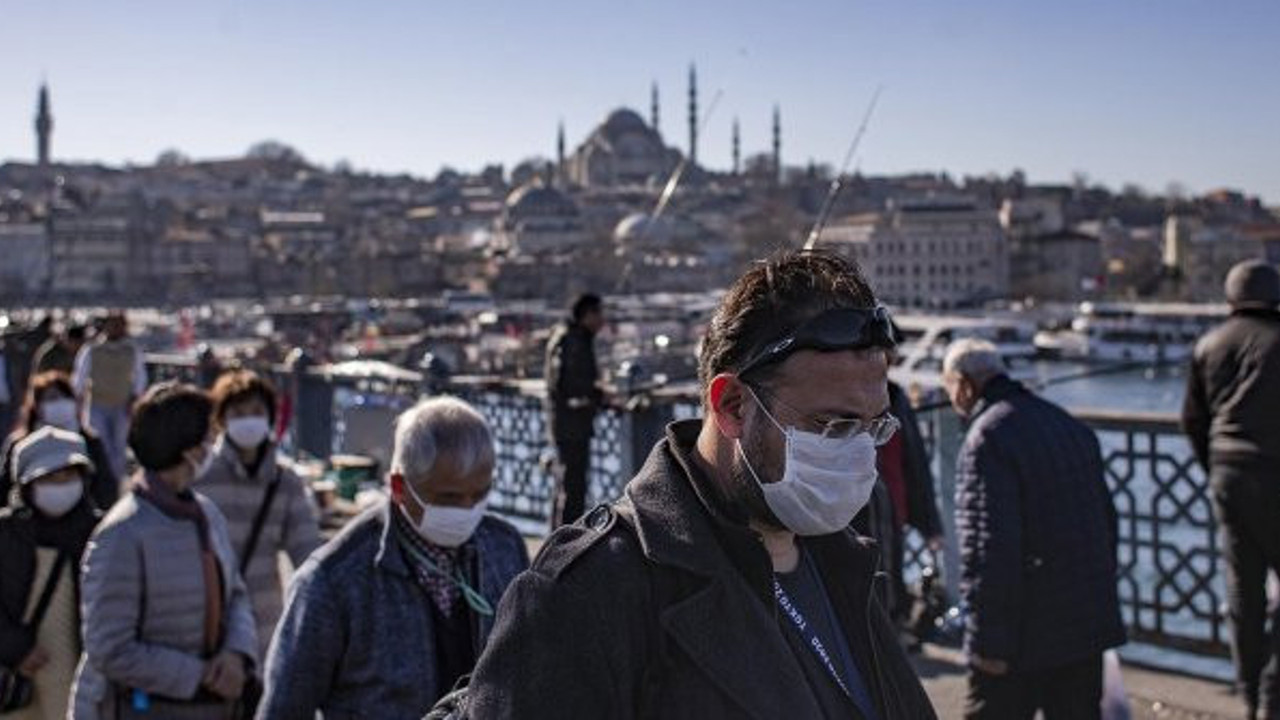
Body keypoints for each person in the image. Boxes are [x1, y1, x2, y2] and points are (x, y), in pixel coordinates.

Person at [433, 250, 936, 719]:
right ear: (733, 406)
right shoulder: (593, 594)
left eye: (874, 428)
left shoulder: (843, 560)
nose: (857, 453)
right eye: (833, 426)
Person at [258, 397, 529, 719]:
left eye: (480, 494)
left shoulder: (504, 547)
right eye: (449, 498)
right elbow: (284, 707)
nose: (468, 510)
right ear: (400, 486)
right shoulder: (334, 580)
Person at [942, 338, 1125, 719]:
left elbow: (989, 548)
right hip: (1085, 627)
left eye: (949, 390)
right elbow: (1107, 526)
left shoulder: (987, 439)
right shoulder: (1068, 424)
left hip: (1022, 638)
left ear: (964, 385)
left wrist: (987, 642)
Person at [70, 382, 258, 719]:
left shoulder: (206, 514)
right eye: (208, 437)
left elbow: (237, 596)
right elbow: (110, 649)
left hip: (214, 708)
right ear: (189, 450)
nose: (213, 445)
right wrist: (201, 675)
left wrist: (236, 654)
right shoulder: (122, 534)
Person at [1181, 259, 1280, 718]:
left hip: (1228, 474)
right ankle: (1272, 692)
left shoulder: (1209, 344)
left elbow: (1193, 420)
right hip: (1272, 471)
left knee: (1244, 590)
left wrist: (1215, 466)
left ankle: (1248, 693)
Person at [195, 370, 322, 661]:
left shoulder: (285, 481)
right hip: (208, 623)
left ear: (270, 417)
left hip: (263, 626)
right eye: (238, 412)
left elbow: (309, 556)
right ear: (222, 419)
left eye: (256, 411)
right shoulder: (200, 477)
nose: (248, 419)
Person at [0, 427, 102, 720]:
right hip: (18, 678)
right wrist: (14, 648)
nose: (61, 485)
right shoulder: (6, 533)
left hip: (82, 675)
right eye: (49, 478)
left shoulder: (103, 533)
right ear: (26, 484)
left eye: (69, 476)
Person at [856, 378, 945, 638]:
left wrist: (930, 525)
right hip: (861, 512)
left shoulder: (895, 396)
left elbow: (913, 461)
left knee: (889, 582)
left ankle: (892, 631)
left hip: (891, 510)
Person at [0, 371, 118, 512]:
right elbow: (5, 489)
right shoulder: (19, 445)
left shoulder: (90, 442)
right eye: (51, 398)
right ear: (37, 406)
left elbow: (106, 487)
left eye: (65, 397)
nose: (59, 403)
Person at [543, 293, 605, 528]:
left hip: (566, 423)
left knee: (565, 484)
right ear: (587, 315)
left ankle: (557, 538)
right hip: (572, 425)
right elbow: (568, 386)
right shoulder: (573, 342)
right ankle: (566, 545)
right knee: (573, 486)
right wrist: (596, 395)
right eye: (599, 313)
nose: (602, 320)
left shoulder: (567, 338)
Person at [72, 311, 147, 479]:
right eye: (113, 324)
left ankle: (115, 482)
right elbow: (79, 377)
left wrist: (134, 399)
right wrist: (77, 401)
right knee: (101, 444)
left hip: (122, 405)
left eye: (119, 325)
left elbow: (140, 377)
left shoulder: (132, 350)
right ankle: (103, 480)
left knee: (119, 446)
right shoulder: (92, 349)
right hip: (97, 404)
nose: (116, 328)